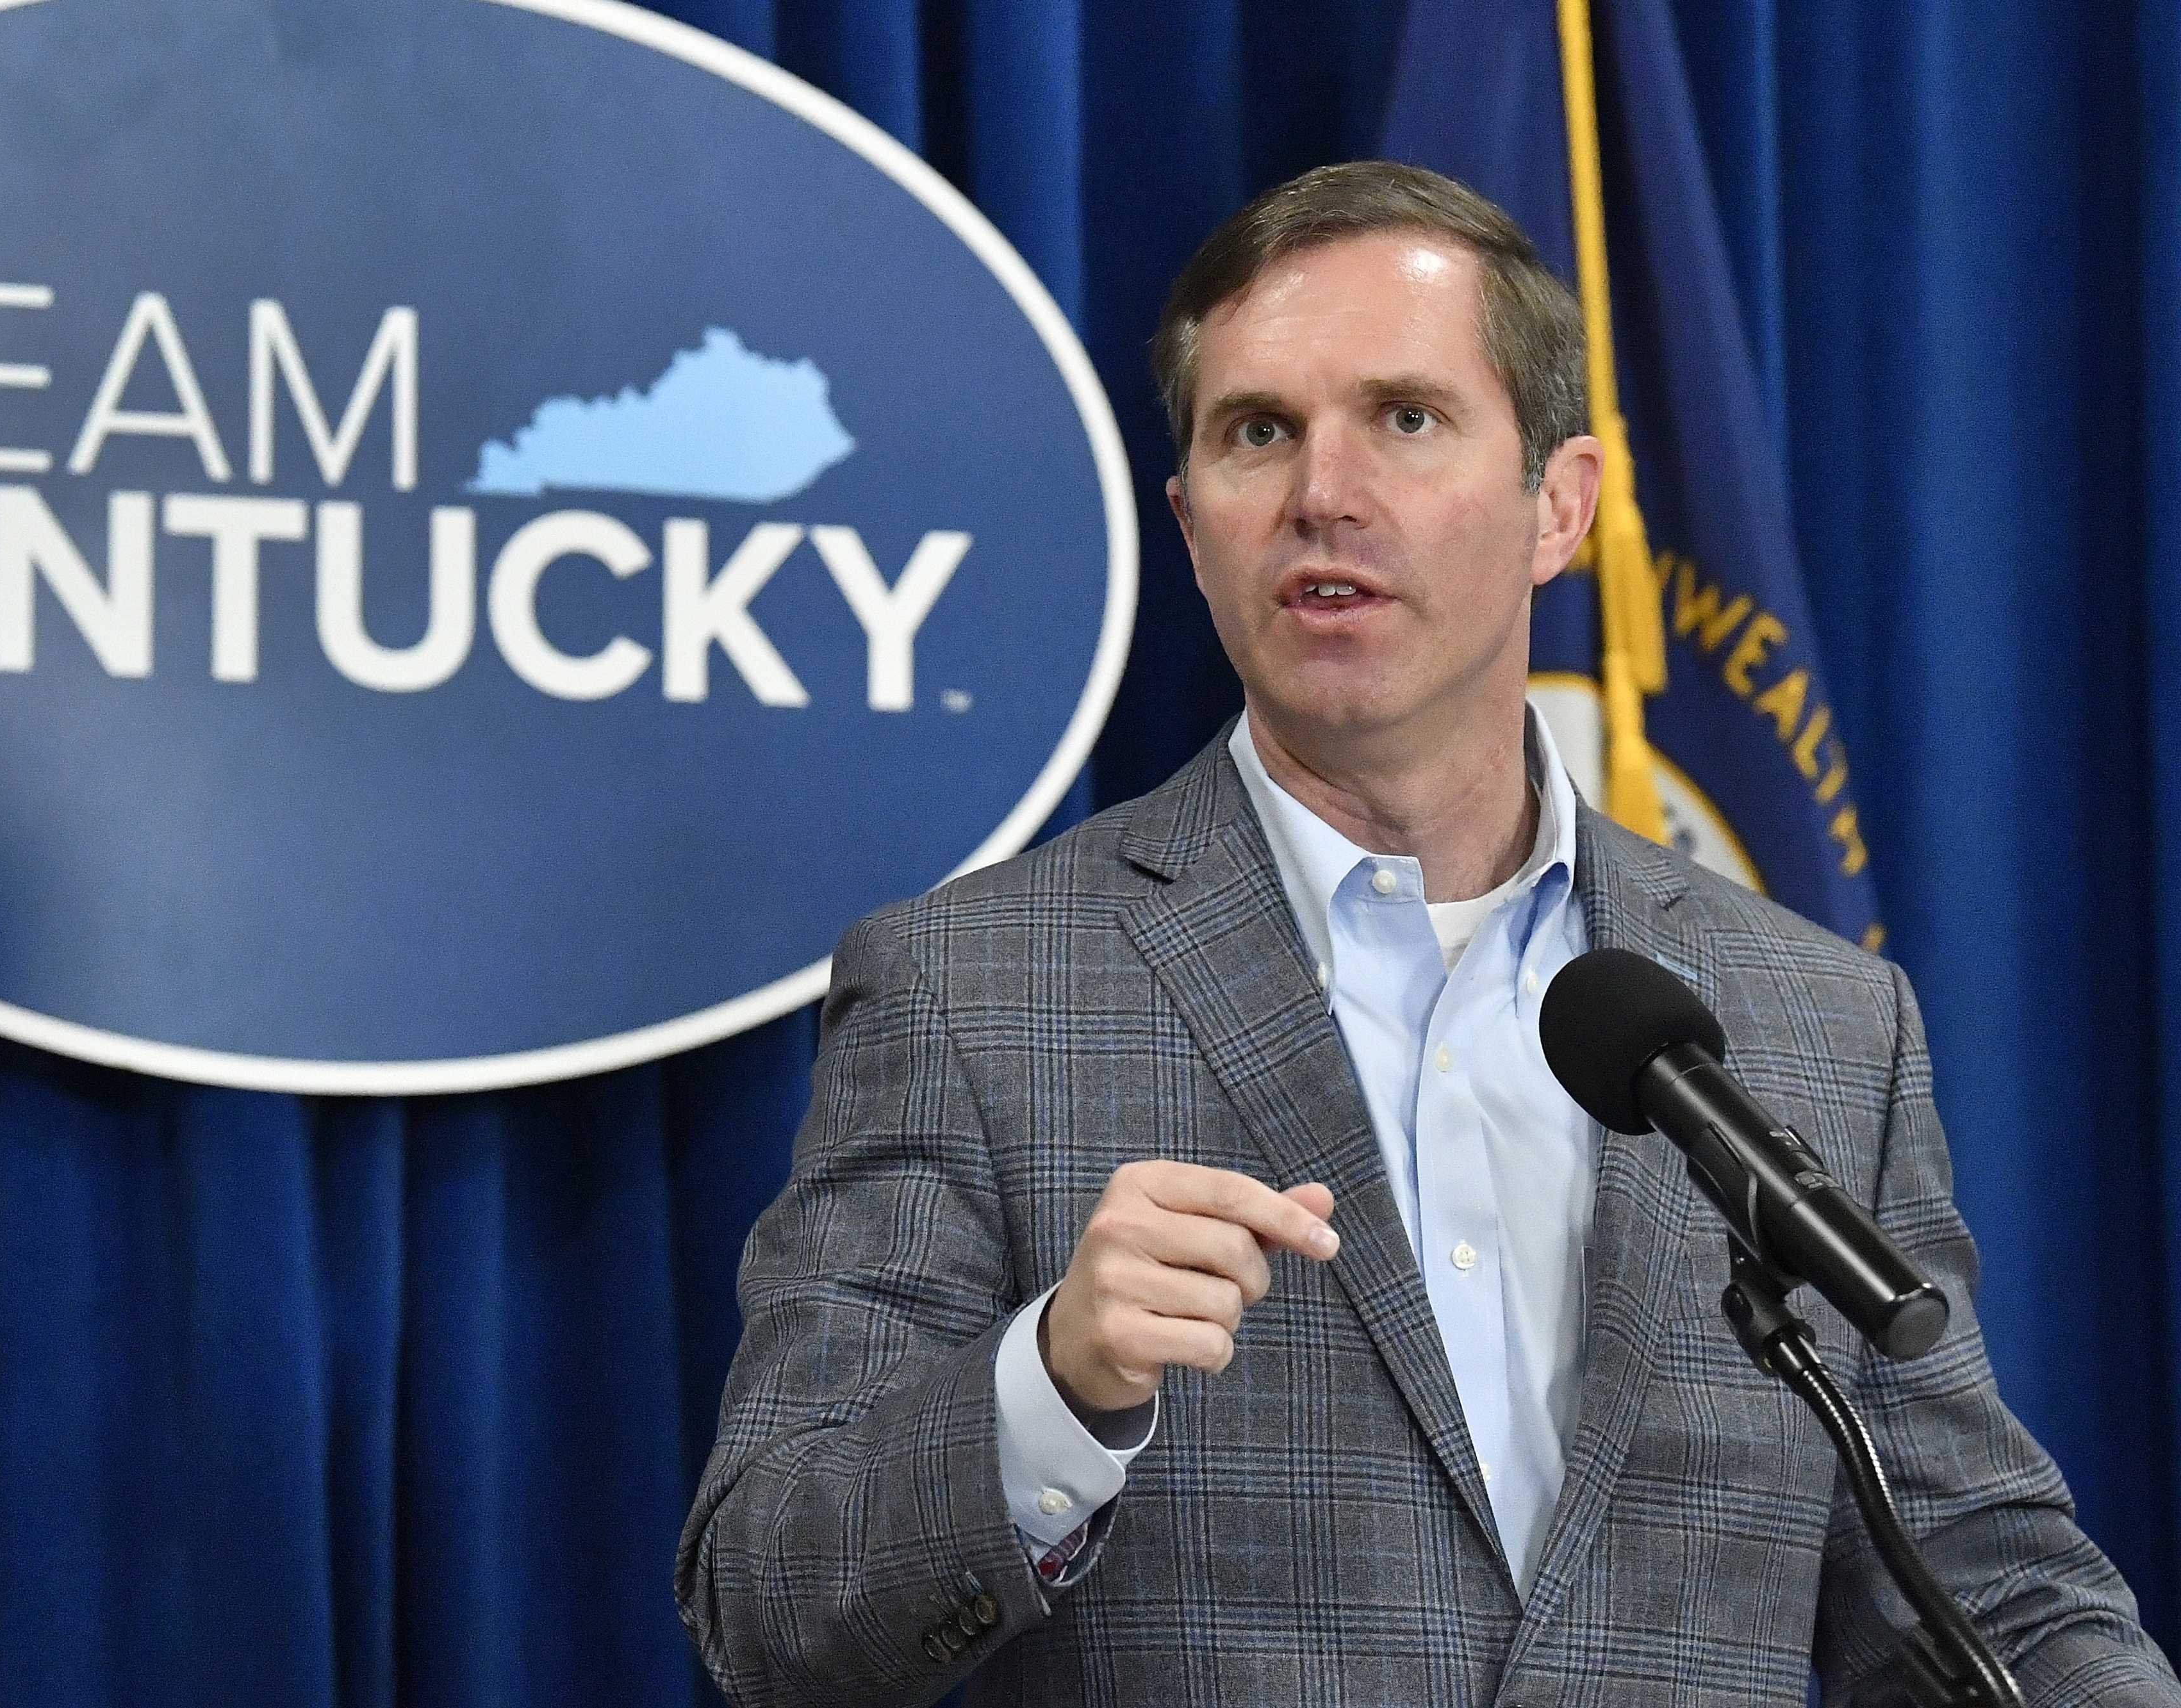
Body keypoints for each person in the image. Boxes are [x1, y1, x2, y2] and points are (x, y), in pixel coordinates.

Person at [675, 161, 2178, 1707]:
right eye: (1257, 432)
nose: (1322, 491)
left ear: (1558, 505)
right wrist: (1051, 1383)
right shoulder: (973, 993)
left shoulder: (1815, 1023)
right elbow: (767, 1603)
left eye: (1402, 417)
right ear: (1192, 528)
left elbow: (1978, 1584)